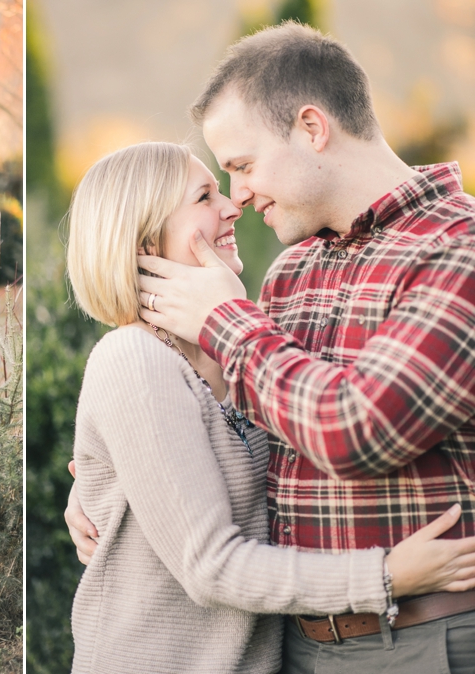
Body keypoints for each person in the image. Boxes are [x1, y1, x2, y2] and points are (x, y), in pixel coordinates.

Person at [67, 22, 475, 671]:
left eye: (242, 166)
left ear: (312, 129)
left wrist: (226, 319)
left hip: (419, 641)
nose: (239, 197)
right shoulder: (291, 272)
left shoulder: (456, 250)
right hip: (290, 645)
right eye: (218, 183)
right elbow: (248, 443)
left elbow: (359, 428)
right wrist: (107, 482)